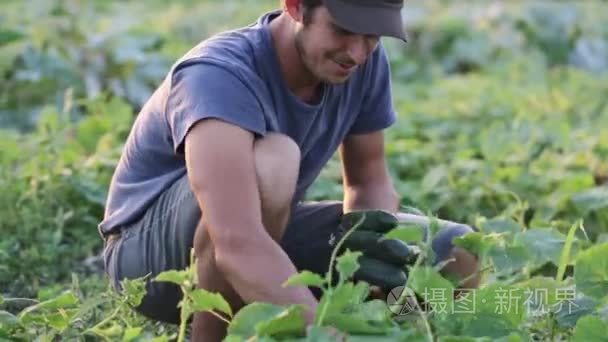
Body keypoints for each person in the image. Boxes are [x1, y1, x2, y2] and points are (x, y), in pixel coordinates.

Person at [99, 0, 480, 340]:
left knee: (459, 256)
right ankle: (210, 335)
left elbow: (368, 183)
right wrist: (320, 331)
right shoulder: (217, 74)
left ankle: (394, 326)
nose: (357, 53)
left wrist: (369, 275)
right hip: (151, 263)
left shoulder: (362, 63)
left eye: (373, 37)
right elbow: (235, 240)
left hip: (264, 235)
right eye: (344, 31)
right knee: (275, 159)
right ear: (296, 6)